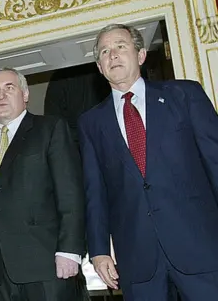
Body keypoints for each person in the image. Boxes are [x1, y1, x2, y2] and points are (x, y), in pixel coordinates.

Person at [78, 23, 218, 301]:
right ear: (99, 67)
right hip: (138, 260)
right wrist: (99, 250)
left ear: (141, 55)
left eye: (120, 46)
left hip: (200, 247)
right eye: (105, 51)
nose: (113, 55)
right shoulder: (90, 122)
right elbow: (95, 192)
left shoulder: (185, 95)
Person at [0, 67, 88, 301]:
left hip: (47, 265)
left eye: (9, 88)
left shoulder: (50, 129)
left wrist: (69, 250)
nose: (1, 96)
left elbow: (70, 193)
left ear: (25, 95)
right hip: (2, 273)